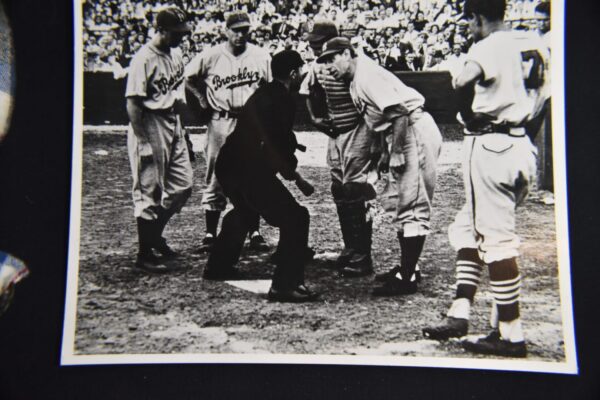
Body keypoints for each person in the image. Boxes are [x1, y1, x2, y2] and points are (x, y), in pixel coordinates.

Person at [422, 0, 550, 358]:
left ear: (478, 17)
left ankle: (510, 334)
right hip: (521, 144)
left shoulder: (488, 45)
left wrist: (468, 114)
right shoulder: (534, 43)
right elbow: (545, 99)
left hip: (490, 145)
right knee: (467, 227)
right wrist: (522, 134)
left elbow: (463, 80)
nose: (467, 26)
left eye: (468, 20)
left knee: (496, 241)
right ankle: (460, 312)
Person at [317, 36, 442, 296]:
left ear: (348, 54)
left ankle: (407, 278)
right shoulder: (356, 77)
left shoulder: (366, 76)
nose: (328, 66)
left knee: (413, 206)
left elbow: (399, 113)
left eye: (332, 58)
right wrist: (384, 150)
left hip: (413, 131)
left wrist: (395, 151)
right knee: (399, 203)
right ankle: (409, 268)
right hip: (402, 133)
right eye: (324, 61)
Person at [203, 50, 319, 303]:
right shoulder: (284, 99)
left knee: (245, 210)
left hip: (228, 164)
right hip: (249, 169)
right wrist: (294, 174)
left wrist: (290, 168)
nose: (303, 75)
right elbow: (276, 143)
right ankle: (285, 285)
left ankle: (218, 265)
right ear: (292, 74)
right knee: (296, 218)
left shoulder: (264, 92)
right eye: (301, 70)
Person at [185, 11, 272, 254]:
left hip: (250, 123)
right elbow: (189, 78)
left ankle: (254, 231)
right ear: (226, 30)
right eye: (235, 29)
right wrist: (202, 100)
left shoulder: (260, 56)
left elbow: (272, 86)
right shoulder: (211, 55)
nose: (240, 34)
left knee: (251, 174)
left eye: (244, 29)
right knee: (215, 175)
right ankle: (210, 232)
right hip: (220, 121)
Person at [300, 21, 377, 278]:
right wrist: (315, 118)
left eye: (318, 41)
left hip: (358, 126)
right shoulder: (316, 64)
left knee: (356, 188)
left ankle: (363, 255)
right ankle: (350, 247)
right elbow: (308, 91)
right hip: (335, 130)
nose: (312, 46)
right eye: (311, 42)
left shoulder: (355, 63)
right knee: (338, 188)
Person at [125, 7, 194, 274]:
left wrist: (183, 132)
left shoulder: (175, 54)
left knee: (183, 186)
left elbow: (177, 96)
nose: (180, 38)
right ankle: (144, 253)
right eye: (176, 33)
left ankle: (154, 235)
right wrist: (142, 141)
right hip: (149, 122)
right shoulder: (143, 59)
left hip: (172, 121)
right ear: (161, 30)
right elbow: (133, 104)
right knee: (149, 190)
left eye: (183, 33)